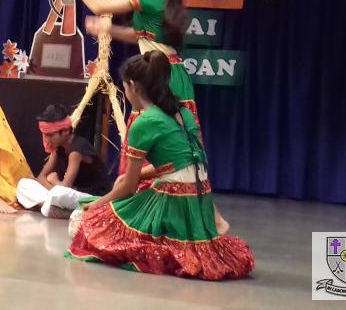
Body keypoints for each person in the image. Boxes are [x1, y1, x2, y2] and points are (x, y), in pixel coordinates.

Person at [60, 0, 229, 234]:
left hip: (165, 76)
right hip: (161, 73)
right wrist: (109, 29)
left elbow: (100, 5)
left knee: (181, 148)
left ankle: (210, 217)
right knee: (170, 147)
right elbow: (142, 36)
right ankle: (150, 214)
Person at [66, 52, 254, 280]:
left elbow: (128, 188)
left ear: (132, 86)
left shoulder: (144, 122)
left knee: (88, 225)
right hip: (200, 200)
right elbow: (180, 163)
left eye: (124, 87)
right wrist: (137, 177)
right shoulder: (184, 112)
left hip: (174, 202)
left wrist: (97, 204)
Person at [16, 104, 111, 218]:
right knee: (24, 184)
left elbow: (65, 188)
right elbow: (41, 177)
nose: (47, 140)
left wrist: (54, 181)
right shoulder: (57, 148)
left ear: (65, 131)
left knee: (59, 194)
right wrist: (52, 185)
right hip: (65, 192)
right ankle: (56, 209)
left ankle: (54, 208)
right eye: (45, 135)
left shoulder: (76, 150)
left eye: (50, 135)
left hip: (92, 198)